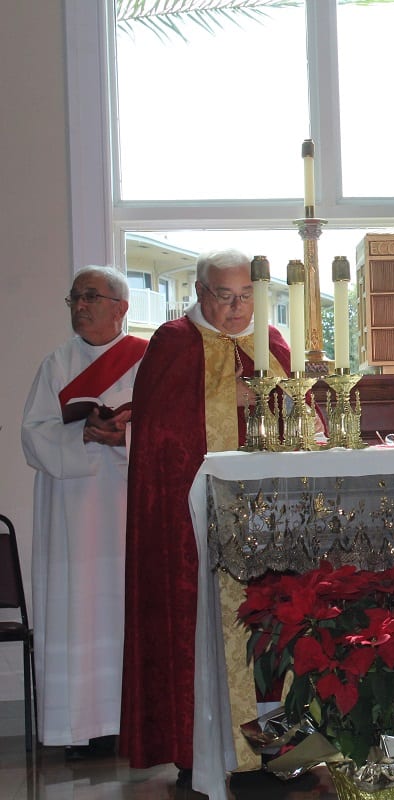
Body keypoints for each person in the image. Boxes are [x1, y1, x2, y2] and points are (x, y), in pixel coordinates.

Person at [121, 249, 291, 781]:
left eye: (248, 296)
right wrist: (227, 398)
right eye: (225, 296)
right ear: (200, 292)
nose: (238, 309)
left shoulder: (274, 343)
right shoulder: (172, 344)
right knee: (198, 624)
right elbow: (160, 433)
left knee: (273, 618)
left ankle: (280, 745)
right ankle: (201, 746)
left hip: (268, 519)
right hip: (192, 524)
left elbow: (298, 419)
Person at [21, 266, 146, 759]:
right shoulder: (57, 362)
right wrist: (81, 436)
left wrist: (123, 439)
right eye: (74, 297)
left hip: (123, 501)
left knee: (120, 605)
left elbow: (164, 430)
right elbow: (33, 435)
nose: (80, 305)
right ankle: (80, 727)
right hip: (69, 509)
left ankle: (129, 723)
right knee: (76, 607)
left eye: (91, 296)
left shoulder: (145, 360)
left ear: (121, 306)